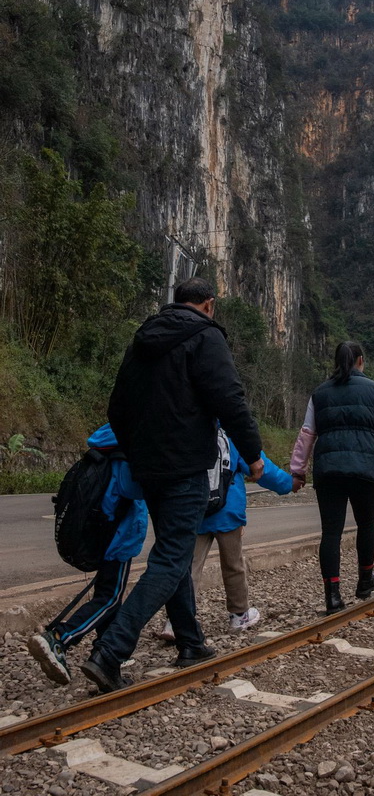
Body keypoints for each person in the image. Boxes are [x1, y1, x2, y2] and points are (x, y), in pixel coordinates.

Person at [81, 277, 264, 693]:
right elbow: (229, 399)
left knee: (174, 551)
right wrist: (252, 453)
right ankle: (110, 652)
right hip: (185, 467)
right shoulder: (205, 336)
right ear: (209, 305)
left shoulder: (143, 339)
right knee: (169, 559)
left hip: (149, 468)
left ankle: (191, 642)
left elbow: (116, 407)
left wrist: (137, 451)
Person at [290, 341, 374, 615]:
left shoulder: (319, 393)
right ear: (360, 361)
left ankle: (333, 596)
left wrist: (298, 469)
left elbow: (307, 433)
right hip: (365, 469)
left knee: (331, 532)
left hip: (329, 470)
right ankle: (365, 581)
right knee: (366, 525)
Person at [28, 424, 147, 684]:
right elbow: (139, 489)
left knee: (107, 594)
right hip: (119, 539)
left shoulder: (105, 445)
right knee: (110, 598)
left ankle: (105, 651)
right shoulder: (125, 455)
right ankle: (60, 638)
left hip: (100, 535)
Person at [159, 437, 292, 639]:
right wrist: (289, 484)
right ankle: (239, 615)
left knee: (188, 567)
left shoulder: (189, 428)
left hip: (196, 510)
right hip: (228, 512)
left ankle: (176, 621)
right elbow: (263, 468)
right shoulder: (232, 435)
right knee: (233, 565)